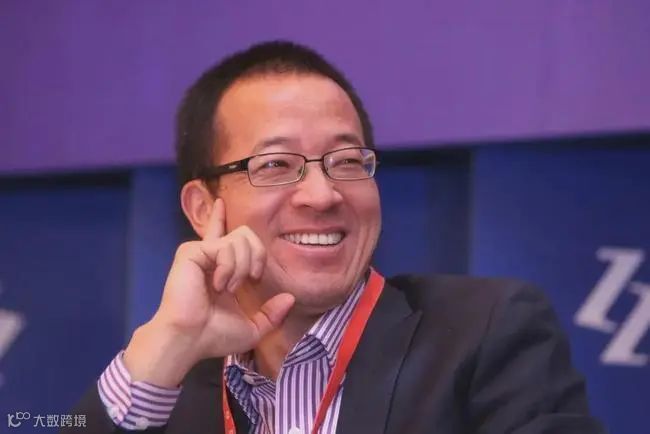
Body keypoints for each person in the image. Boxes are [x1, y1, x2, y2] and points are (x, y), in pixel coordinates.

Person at [66, 41, 604, 434]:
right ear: (204, 208)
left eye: (346, 161)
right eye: (276, 165)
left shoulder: (484, 334)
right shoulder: (167, 391)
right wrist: (168, 343)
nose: (321, 195)